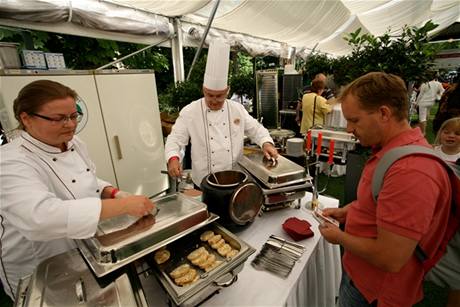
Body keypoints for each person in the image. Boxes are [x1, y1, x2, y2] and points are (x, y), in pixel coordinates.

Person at [0, 80, 155, 300]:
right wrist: (123, 205)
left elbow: (88, 180)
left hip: (84, 248)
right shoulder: (10, 161)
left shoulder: (75, 143)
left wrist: (114, 193)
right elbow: (40, 217)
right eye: (59, 118)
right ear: (26, 119)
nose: (70, 124)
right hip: (39, 263)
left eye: (74, 116)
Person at [318, 72, 451, 307]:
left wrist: (340, 237)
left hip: (374, 291)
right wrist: (351, 211)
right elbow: (379, 202)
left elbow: (390, 258)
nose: (349, 129)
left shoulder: (411, 172)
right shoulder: (390, 150)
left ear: (383, 113)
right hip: (361, 278)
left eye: (355, 120)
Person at [165, 40, 278, 186]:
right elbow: (175, 139)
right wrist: (173, 158)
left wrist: (266, 143)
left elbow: (256, 130)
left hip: (236, 178)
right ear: (203, 89)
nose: (213, 100)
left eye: (219, 96)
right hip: (203, 183)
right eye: (209, 95)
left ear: (227, 91)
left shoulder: (237, 109)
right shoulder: (190, 112)